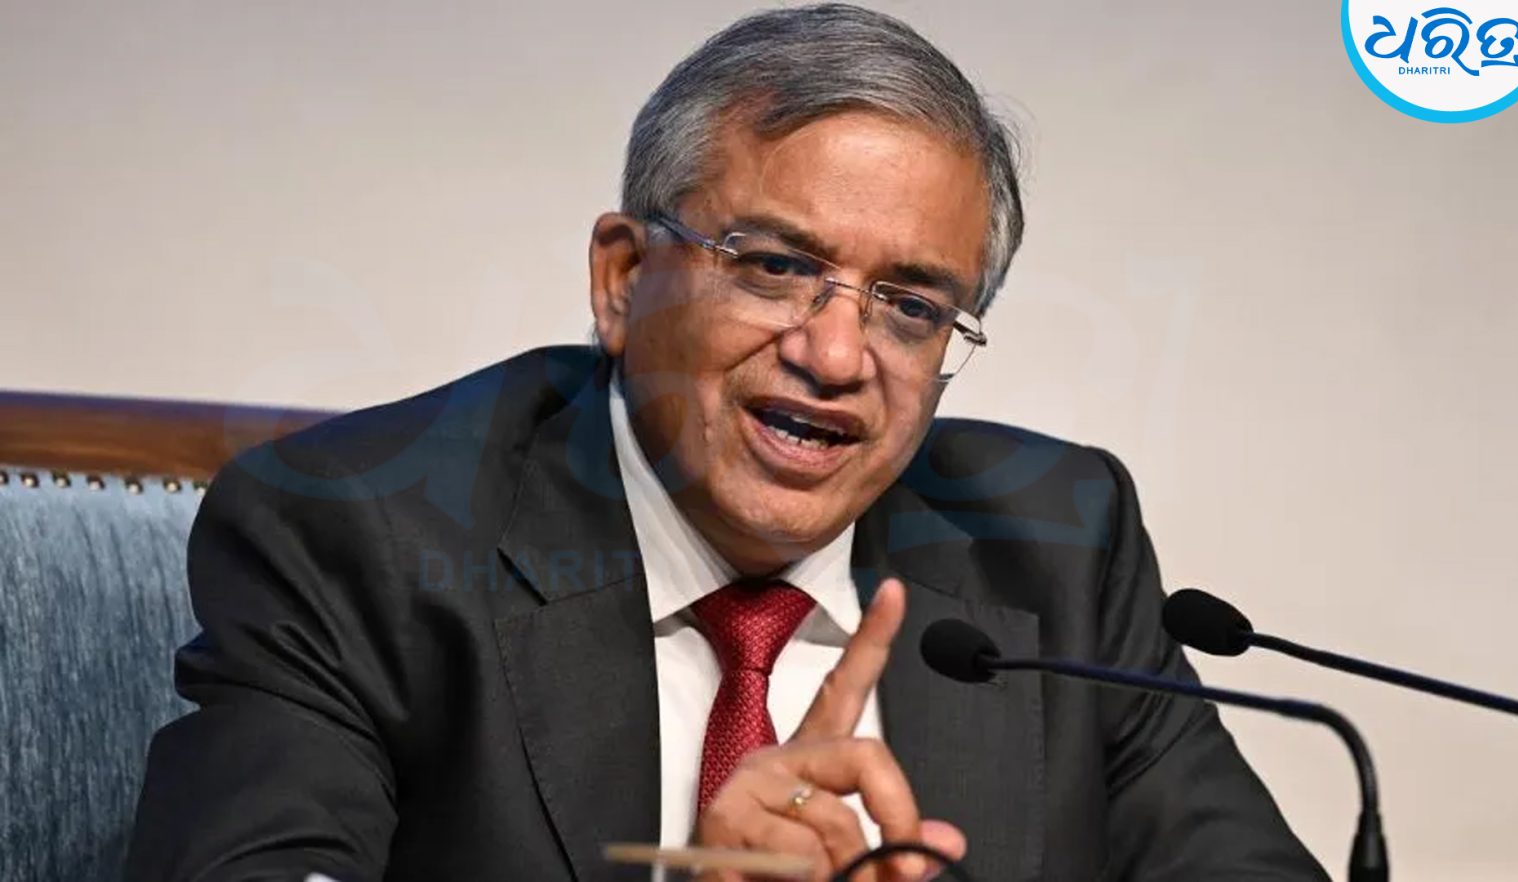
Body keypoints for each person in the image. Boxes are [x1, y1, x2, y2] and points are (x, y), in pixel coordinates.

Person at [127, 5, 1328, 881]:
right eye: (776, 267)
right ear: (621, 278)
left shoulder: (1058, 549)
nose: (836, 354)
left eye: (910, 305)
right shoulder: (354, 532)